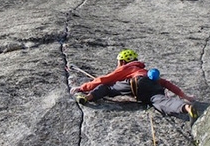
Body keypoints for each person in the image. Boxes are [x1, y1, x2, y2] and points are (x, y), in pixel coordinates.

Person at [70, 48, 199, 119]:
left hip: (135, 83)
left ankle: (87, 97)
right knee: (161, 102)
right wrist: (186, 97)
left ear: (123, 62)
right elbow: (167, 84)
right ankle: (185, 107)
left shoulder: (127, 68)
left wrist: (83, 88)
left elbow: (104, 79)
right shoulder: (145, 71)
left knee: (107, 87)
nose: (118, 65)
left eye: (119, 62)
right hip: (152, 87)